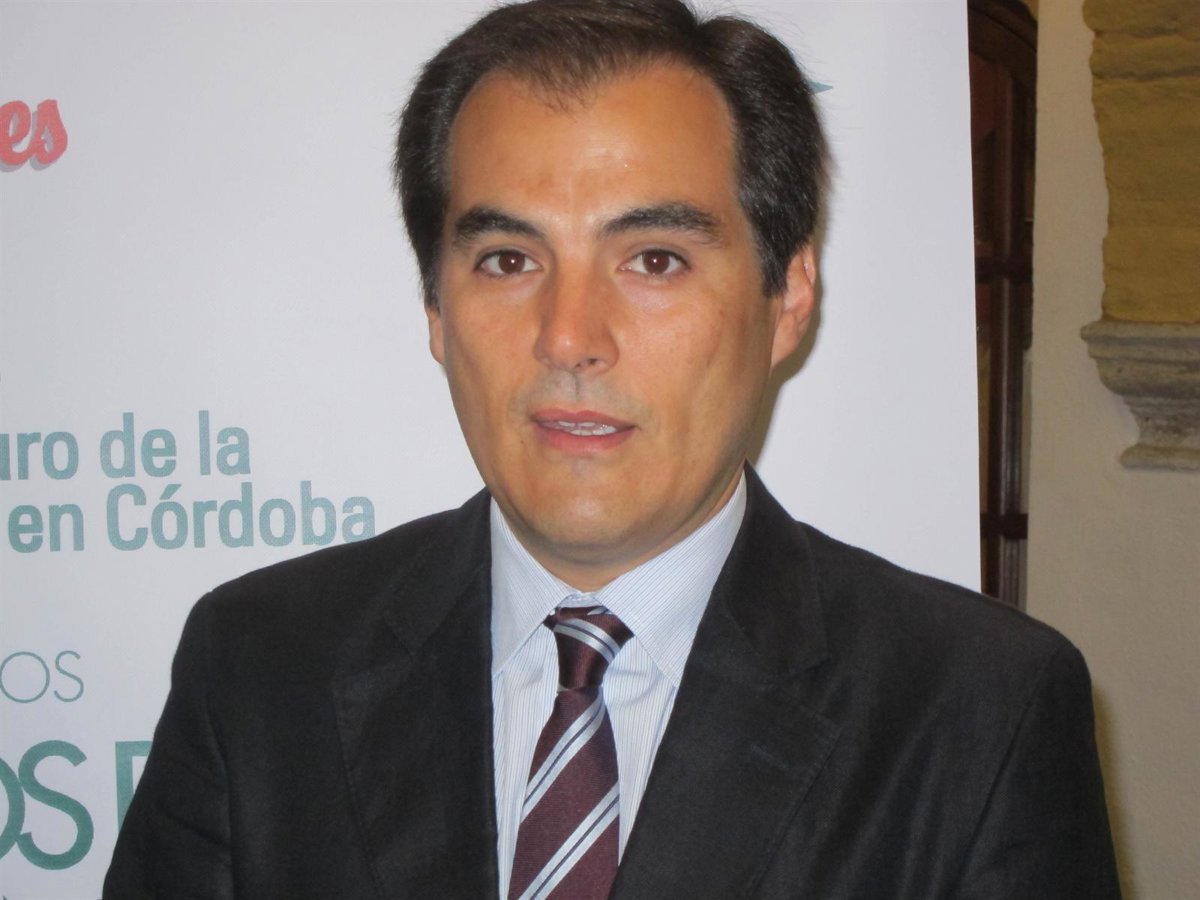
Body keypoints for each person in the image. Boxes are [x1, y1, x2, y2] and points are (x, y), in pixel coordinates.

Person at [105, 1, 1121, 897]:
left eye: (655, 260)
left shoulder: (978, 711)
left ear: (786, 300)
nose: (569, 337)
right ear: (436, 310)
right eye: (508, 259)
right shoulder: (261, 668)